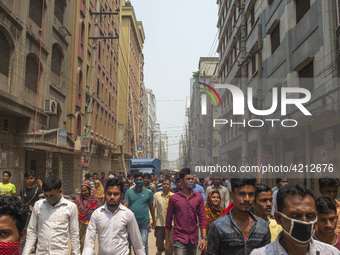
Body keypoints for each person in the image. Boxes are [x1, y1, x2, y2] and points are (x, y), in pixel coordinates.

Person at [250, 184, 339, 255]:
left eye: (310, 216)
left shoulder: (331, 253)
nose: (304, 221)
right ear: (278, 218)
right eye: (296, 216)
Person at [206, 178, 270, 255]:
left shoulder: (263, 226)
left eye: (251, 195)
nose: (247, 199)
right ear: (232, 195)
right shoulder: (218, 226)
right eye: (242, 194)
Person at [83, 178, 145, 255]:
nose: (112, 197)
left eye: (116, 194)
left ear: (122, 195)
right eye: (109, 194)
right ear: (105, 194)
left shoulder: (128, 214)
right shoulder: (97, 214)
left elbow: (137, 244)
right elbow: (89, 242)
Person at [23, 175, 80, 255]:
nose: (49, 198)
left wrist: (76, 253)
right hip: (41, 252)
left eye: (52, 196)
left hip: (60, 252)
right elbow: (32, 231)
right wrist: (26, 252)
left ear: (60, 191)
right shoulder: (38, 205)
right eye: (46, 195)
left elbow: (74, 234)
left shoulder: (70, 207)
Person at [165, 168, 208, 255]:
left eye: (192, 179)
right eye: (188, 179)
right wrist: (167, 240)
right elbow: (168, 220)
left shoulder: (198, 197)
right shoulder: (174, 198)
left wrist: (204, 238)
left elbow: (203, 218)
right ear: (182, 180)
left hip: (193, 238)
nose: (191, 181)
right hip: (179, 237)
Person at [124, 172, 156, 255]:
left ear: (143, 180)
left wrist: (154, 220)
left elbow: (151, 207)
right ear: (134, 181)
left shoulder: (149, 193)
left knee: (143, 242)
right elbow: (125, 206)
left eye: (141, 179)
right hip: (131, 222)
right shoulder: (129, 192)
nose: (139, 181)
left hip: (144, 222)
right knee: (129, 243)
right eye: (137, 180)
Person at [74, 182, 101, 252]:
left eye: (85, 190)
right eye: (82, 191)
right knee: (80, 239)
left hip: (91, 223)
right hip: (80, 223)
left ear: (89, 190)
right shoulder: (78, 199)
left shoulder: (94, 200)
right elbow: (74, 210)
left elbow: (99, 212)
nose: (83, 192)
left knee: (90, 240)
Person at [154, 178, 174, 255]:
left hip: (171, 224)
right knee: (159, 244)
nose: (165, 185)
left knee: (170, 244)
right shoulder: (156, 195)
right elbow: (152, 208)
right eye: (164, 184)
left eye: (167, 184)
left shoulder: (173, 196)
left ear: (170, 185)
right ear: (162, 185)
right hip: (160, 224)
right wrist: (152, 220)